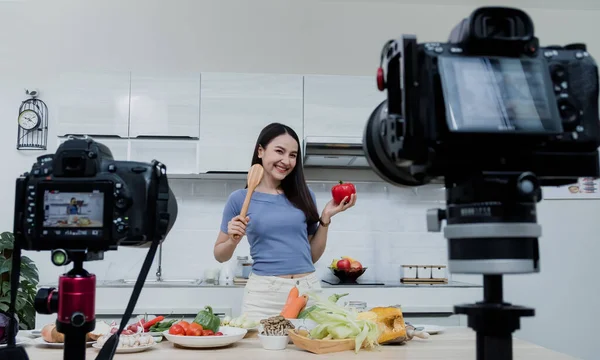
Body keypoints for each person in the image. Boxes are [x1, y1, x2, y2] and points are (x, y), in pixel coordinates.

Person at [213, 122, 357, 321]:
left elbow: (311, 257)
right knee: (261, 352)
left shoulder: (305, 196)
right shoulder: (239, 199)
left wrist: (325, 218)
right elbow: (220, 255)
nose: (286, 161)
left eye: (293, 155)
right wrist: (232, 240)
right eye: (279, 151)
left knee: (311, 350)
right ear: (261, 151)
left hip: (308, 291)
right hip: (263, 296)